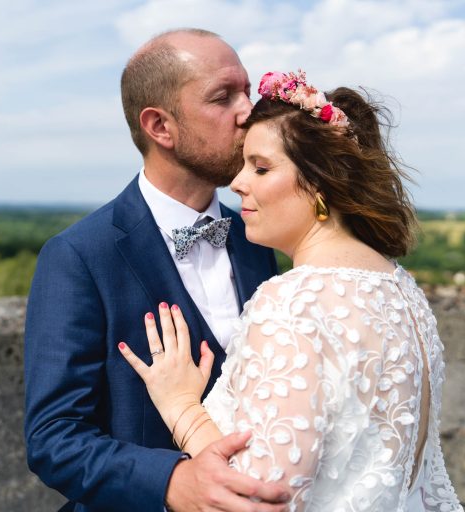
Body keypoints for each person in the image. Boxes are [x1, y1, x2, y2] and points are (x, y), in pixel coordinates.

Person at [118, 71, 464, 512]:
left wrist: (182, 406)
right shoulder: (402, 289)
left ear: (320, 183)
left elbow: (255, 499)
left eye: (261, 167)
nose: (237, 183)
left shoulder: (292, 304)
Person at [23, 30, 292, 512]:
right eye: (223, 96)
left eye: (248, 91)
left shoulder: (257, 236)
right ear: (160, 127)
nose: (248, 110)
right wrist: (174, 483)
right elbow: (54, 439)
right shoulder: (78, 256)